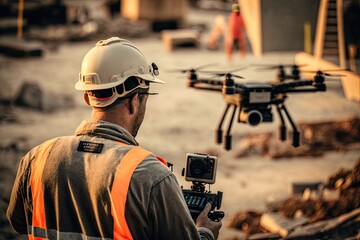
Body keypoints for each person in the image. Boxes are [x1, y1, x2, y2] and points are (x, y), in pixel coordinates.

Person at [7, 37, 222, 240]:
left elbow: (18, 221)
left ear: (87, 97)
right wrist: (204, 233)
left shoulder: (36, 159)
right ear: (135, 101)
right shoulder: (151, 176)